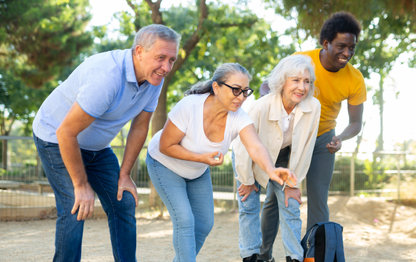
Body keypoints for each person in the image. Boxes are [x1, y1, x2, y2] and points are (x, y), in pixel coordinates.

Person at [32, 24, 181, 262]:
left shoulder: (154, 78)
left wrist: (124, 174)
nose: (167, 67)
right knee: (75, 206)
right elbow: (66, 132)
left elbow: (140, 126)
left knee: (124, 202)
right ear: (139, 51)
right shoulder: (107, 76)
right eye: (161, 58)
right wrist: (81, 185)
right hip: (55, 137)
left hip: (96, 148)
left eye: (171, 60)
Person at [145, 63, 296, 262]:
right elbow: (166, 146)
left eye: (245, 92)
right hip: (164, 163)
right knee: (185, 219)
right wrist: (201, 158)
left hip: (196, 171)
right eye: (236, 90)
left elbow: (255, 146)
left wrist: (271, 170)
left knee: (205, 223)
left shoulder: (239, 116)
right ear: (216, 87)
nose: (241, 97)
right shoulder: (190, 106)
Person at [258, 11, 366, 261]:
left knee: (318, 200)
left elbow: (356, 123)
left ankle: (314, 256)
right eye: (341, 46)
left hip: (322, 140)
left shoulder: (355, 79)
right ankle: (263, 255)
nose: (347, 53)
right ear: (326, 43)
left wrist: (340, 137)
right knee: (275, 200)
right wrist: (268, 106)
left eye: (352, 48)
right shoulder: (300, 59)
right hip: (287, 138)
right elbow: (268, 85)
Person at [232, 55, 321, 262]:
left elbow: (305, 148)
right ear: (283, 81)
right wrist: (246, 180)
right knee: (249, 205)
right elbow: (242, 146)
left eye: (307, 81)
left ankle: (294, 257)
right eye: (296, 80)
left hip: (284, 158)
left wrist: (293, 182)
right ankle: (251, 256)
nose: (302, 87)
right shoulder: (261, 106)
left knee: (291, 205)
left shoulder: (313, 106)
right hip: (250, 156)